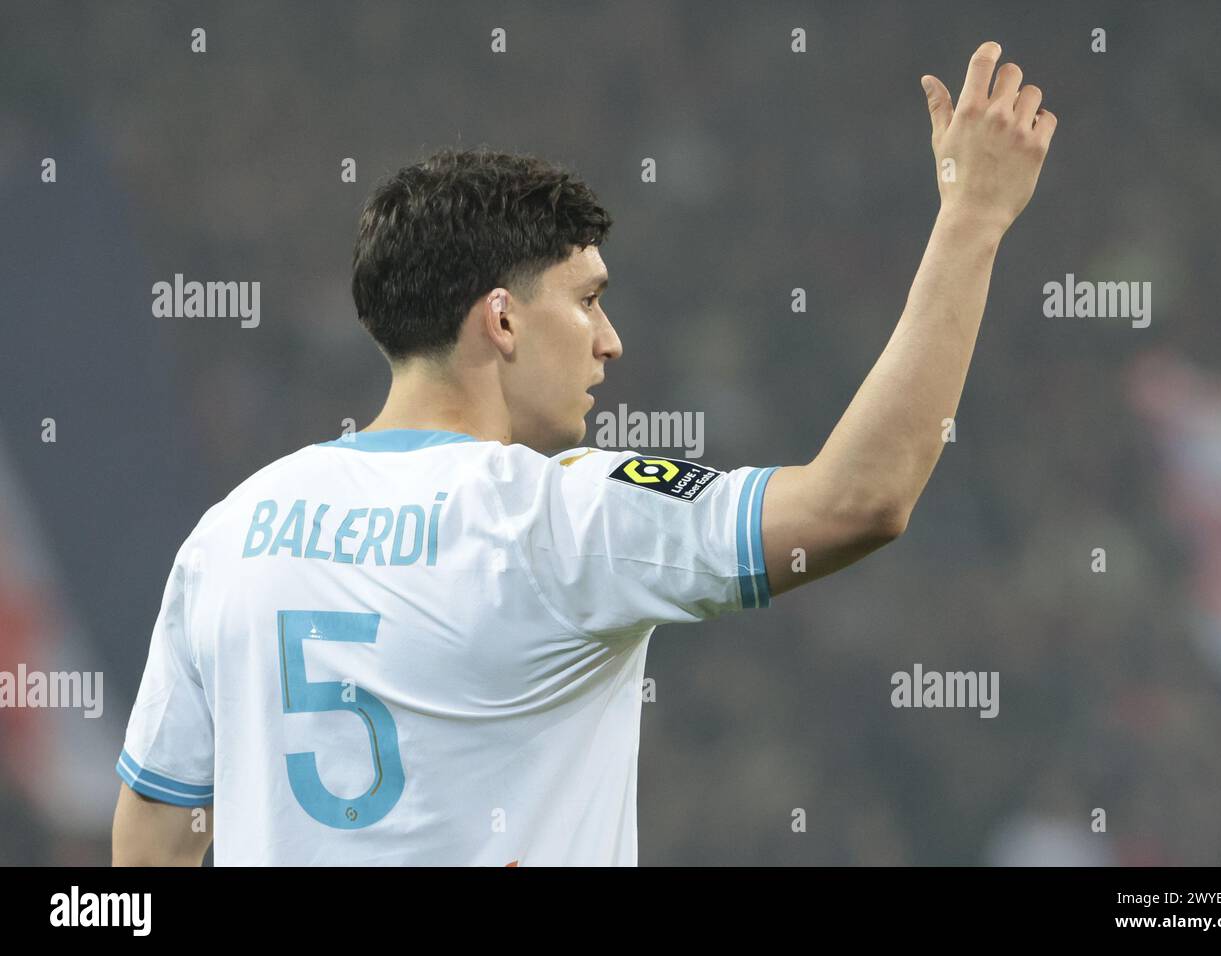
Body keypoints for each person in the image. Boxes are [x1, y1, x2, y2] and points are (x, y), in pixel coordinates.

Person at [112, 40, 1055, 865]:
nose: (611, 341)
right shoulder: (554, 516)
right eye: (589, 299)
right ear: (504, 318)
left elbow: (153, 846)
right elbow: (859, 502)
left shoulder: (230, 533)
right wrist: (972, 220)